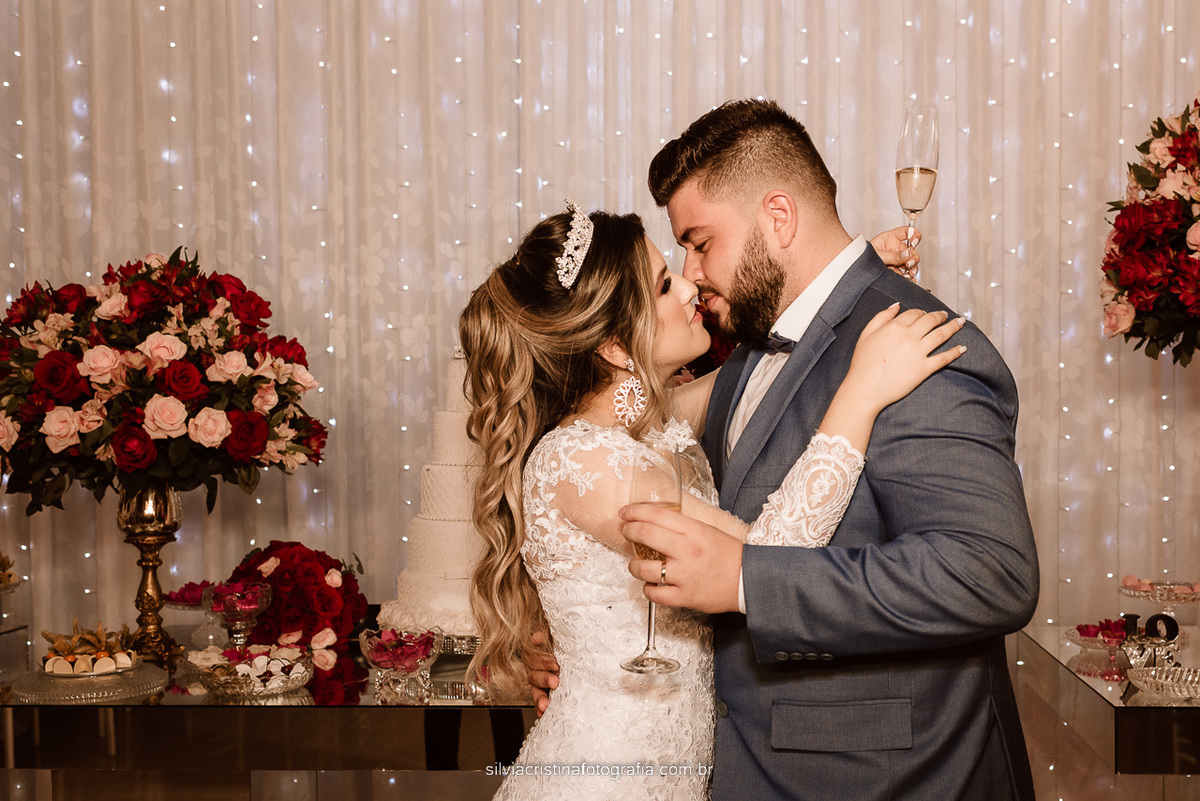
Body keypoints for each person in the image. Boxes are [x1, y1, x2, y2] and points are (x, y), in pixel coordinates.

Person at [458, 201, 961, 799]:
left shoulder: (651, 427)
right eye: (664, 284)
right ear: (618, 345)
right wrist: (862, 391)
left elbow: (768, 371)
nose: (690, 284)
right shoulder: (591, 462)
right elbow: (770, 555)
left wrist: (842, 277)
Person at [618, 99, 1039, 800]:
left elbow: (989, 571)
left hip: (888, 781)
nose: (690, 272)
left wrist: (749, 581)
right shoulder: (752, 345)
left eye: (699, 241)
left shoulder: (916, 344)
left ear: (777, 218)